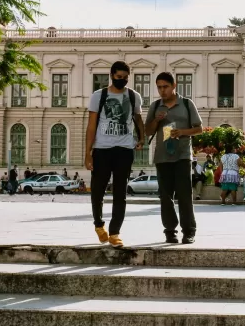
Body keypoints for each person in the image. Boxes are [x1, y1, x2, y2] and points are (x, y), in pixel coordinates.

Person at [85, 60, 145, 248]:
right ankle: (98, 224)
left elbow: (138, 118)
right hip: (102, 149)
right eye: (119, 77)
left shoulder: (134, 97)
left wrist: (141, 137)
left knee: (120, 193)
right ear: (112, 75)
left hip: (124, 150)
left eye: (126, 78)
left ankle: (115, 233)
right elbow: (92, 125)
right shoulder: (99, 96)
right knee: (97, 191)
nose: (123, 81)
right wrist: (87, 153)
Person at [145, 71, 204, 244]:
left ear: (174, 86)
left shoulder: (186, 104)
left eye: (165, 87)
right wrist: (156, 120)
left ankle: (189, 231)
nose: (162, 91)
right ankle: (170, 231)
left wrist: (182, 132)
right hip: (162, 157)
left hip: (183, 156)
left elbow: (199, 128)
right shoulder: (155, 106)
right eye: (159, 87)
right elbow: (148, 131)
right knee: (165, 196)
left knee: (184, 194)